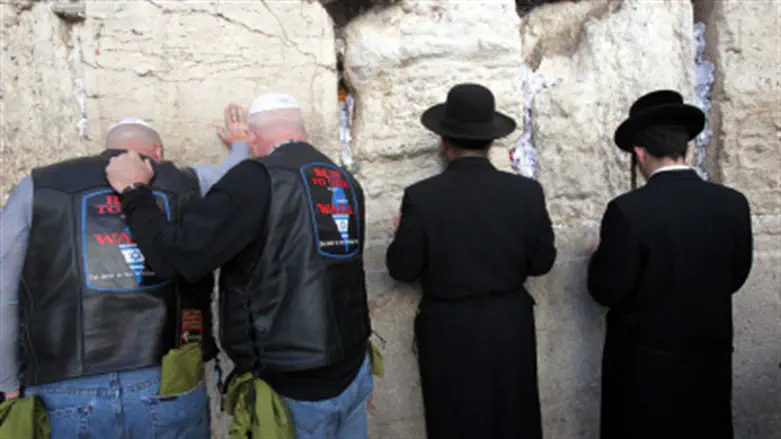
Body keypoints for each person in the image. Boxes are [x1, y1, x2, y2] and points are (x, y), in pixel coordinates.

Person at [104, 92, 376, 439]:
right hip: (352, 369)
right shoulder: (342, 180)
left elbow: (178, 257)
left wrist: (134, 191)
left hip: (292, 383)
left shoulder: (254, 178)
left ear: (254, 138)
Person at [0, 108, 250, 438]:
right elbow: (235, 179)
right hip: (166, 379)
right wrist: (242, 144)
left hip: (62, 385)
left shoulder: (38, 185)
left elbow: (4, 288)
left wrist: (6, 382)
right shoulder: (190, 182)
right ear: (158, 153)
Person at [386, 83, 557, 439]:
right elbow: (542, 262)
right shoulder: (526, 193)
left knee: (456, 419)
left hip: (450, 330)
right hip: (510, 324)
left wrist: (401, 232)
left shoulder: (422, 197)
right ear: (491, 142)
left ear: (443, 142)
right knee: (513, 417)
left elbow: (402, 270)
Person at [588, 90, 754, 439]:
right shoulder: (733, 204)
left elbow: (609, 290)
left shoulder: (628, 211)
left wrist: (599, 258)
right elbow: (736, 275)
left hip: (644, 369)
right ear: (688, 149)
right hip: (709, 358)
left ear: (640, 152)